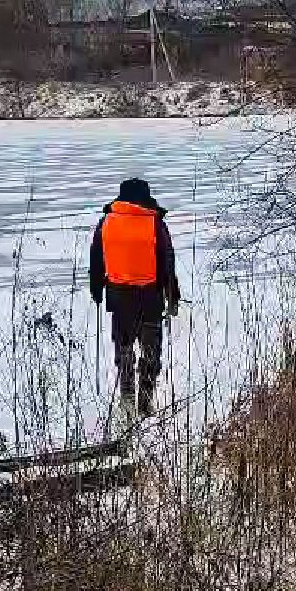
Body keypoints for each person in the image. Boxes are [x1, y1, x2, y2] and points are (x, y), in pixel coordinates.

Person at [89, 177, 181, 416]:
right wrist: (173, 297)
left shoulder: (106, 222)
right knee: (150, 354)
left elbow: (96, 259)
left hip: (119, 299)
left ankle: (127, 398)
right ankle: (146, 403)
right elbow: (167, 262)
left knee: (125, 351)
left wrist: (96, 289)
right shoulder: (155, 224)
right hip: (150, 299)